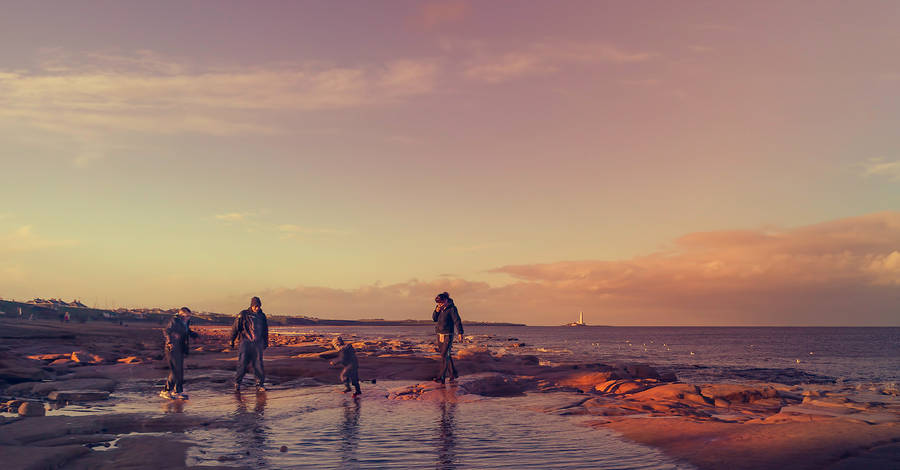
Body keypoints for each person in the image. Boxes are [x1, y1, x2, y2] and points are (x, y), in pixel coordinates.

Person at [230, 296, 269, 392]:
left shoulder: (262, 316)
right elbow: (236, 327)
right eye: (255, 306)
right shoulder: (243, 314)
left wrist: (265, 342)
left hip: (258, 343)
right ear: (251, 305)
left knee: (258, 364)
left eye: (259, 306)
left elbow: (265, 330)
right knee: (242, 363)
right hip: (245, 342)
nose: (257, 308)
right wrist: (232, 339)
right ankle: (237, 383)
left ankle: (259, 384)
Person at [160, 307, 198, 399]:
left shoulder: (185, 322)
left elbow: (186, 331)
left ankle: (178, 391)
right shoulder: (174, 321)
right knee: (175, 370)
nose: (188, 318)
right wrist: (170, 342)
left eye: (189, 316)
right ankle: (166, 391)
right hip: (172, 348)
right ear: (181, 315)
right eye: (186, 316)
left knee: (179, 370)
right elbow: (166, 331)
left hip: (180, 347)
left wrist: (193, 334)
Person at [432, 292, 463, 384]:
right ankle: (453, 374)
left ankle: (441, 377)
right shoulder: (439, 308)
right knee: (446, 355)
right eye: (438, 303)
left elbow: (457, 320)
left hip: (448, 334)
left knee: (444, 355)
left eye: (441, 302)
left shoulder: (452, 309)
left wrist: (460, 333)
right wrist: (436, 311)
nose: (439, 304)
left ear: (446, 300)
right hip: (439, 334)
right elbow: (434, 319)